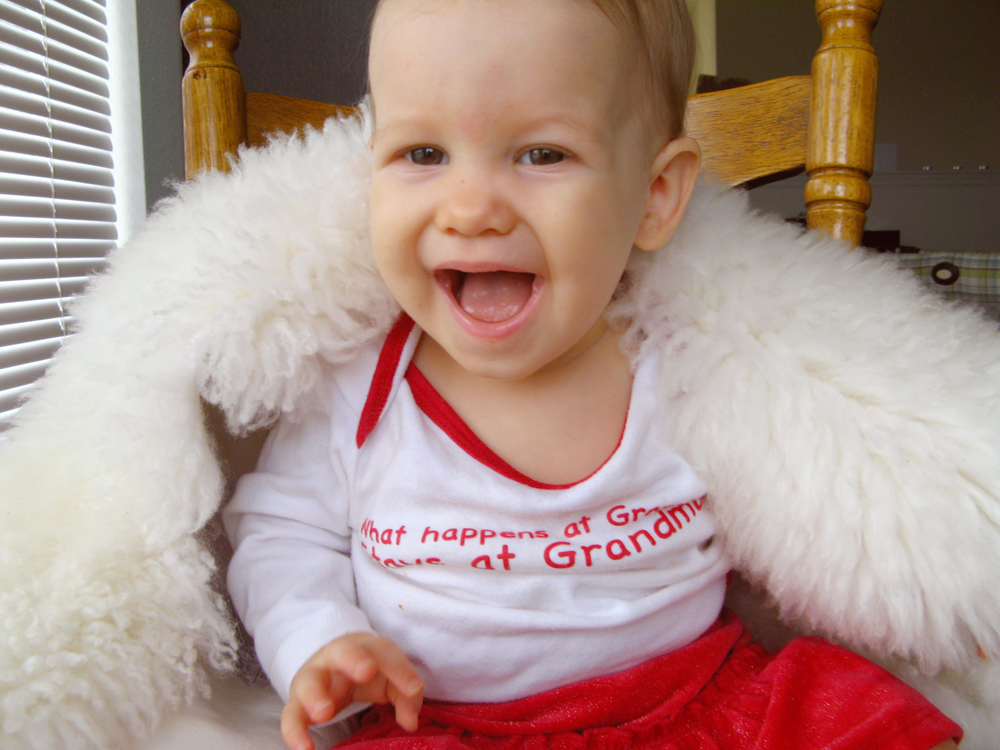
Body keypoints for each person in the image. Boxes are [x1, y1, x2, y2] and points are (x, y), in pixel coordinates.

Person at [223, 1, 963, 749]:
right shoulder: (358, 382)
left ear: (654, 196)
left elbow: (823, 499)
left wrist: (940, 573)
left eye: (541, 154)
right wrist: (320, 643)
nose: (471, 209)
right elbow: (282, 536)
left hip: (698, 704)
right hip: (440, 724)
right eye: (423, 153)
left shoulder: (692, 360)